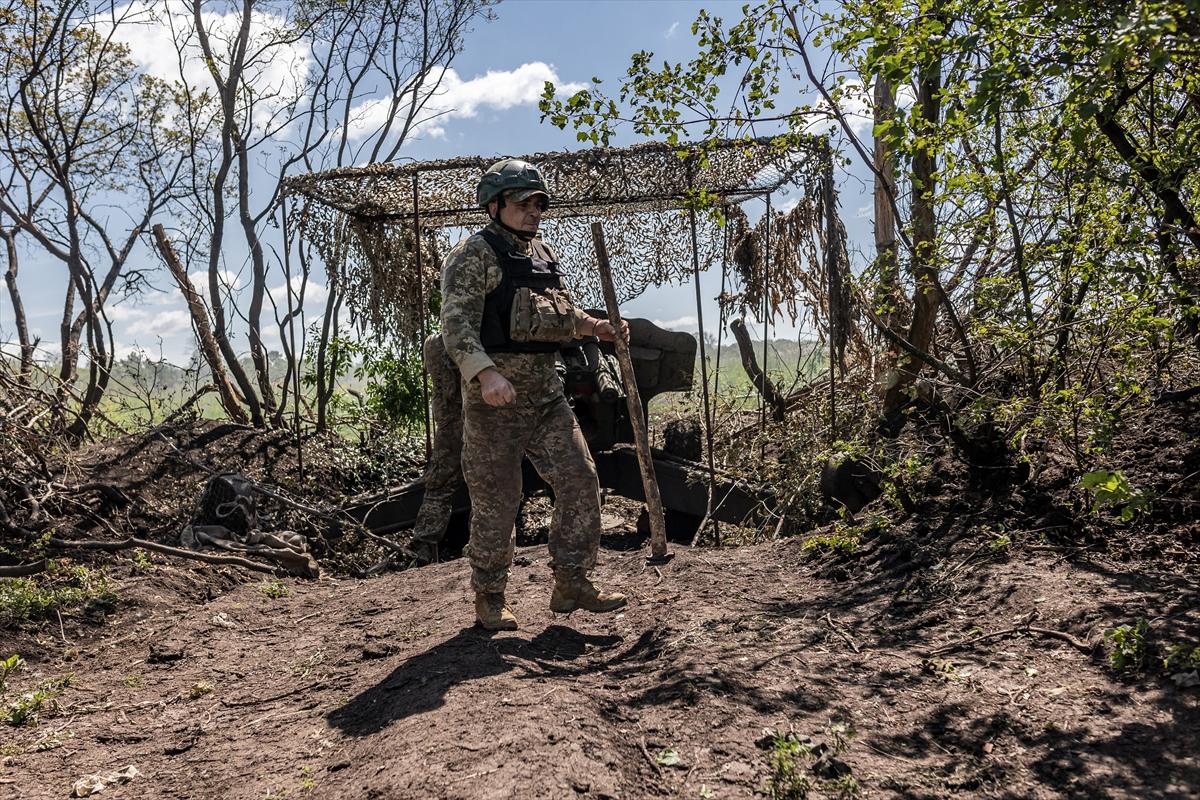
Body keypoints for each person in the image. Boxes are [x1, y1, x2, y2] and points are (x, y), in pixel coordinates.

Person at [440, 158, 628, 631]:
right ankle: (490, 596)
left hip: (547, 396)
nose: (534, 211)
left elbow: (562, 314)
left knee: (580, 480)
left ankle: (572, 581)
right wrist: (485, 375)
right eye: (523, 202)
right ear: (495, 205)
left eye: (539, 202)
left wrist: (598, 327)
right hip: (494, 403)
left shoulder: (542, 254)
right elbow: (456, 325)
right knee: (498, 500)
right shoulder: (472, 255)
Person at [406, 332, 464, 568]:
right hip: (475, 420)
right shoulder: (466, 338)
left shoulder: (432, 343)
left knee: (439, 487)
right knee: (490, 483)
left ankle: (424, 545)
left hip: (449, 426)